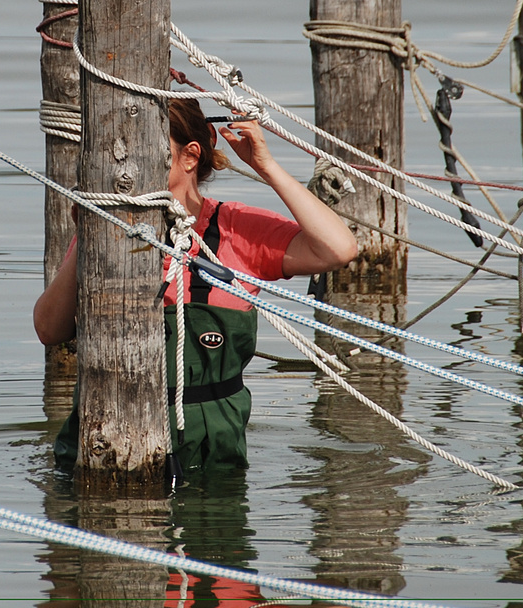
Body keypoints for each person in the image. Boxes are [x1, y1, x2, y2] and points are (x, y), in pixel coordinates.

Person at [34, 96, 358, 472]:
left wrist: (267, 167)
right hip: (104, 450)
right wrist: (89, 234)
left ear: (189, 156)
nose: (125, 164)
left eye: (142, 148)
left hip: (211, 454)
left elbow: (339, 248)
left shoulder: (237, 228)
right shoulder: (109, 227)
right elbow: (48, 328)